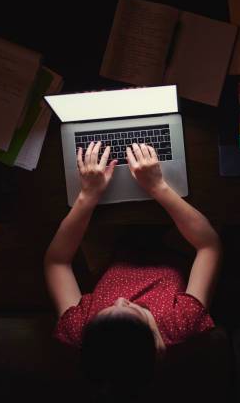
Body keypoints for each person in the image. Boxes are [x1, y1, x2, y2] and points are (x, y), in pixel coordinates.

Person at [44, 141, 222, 400]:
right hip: (177, 245)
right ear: (158, 344)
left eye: (106, 310)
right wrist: (158, 187)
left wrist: (88, 196)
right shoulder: (180, 324)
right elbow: (209, 246)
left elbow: (57, 262)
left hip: (112, 250)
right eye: (131, 309)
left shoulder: (78, 331)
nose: (119, 299)